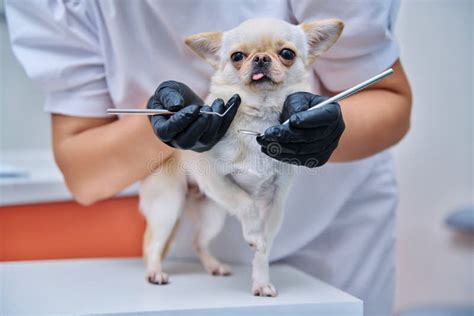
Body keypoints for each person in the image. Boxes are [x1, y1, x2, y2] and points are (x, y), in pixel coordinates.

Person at [6, 1, 412, 315]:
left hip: (332, 238)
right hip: (195, 259)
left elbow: (391, 101)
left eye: (284, 54)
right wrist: (167, 129)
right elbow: (84, 174)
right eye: (240, 56)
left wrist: (327, 130)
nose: (259, 63)